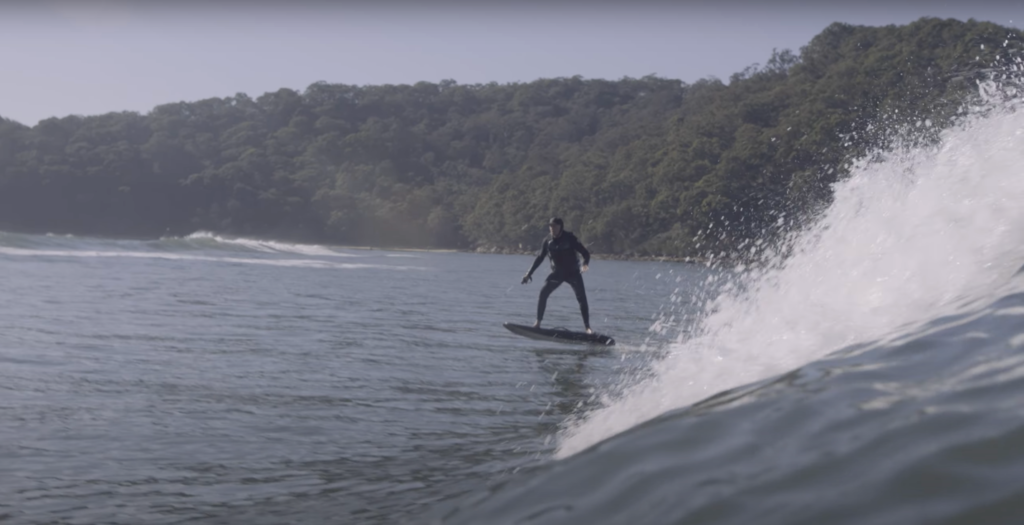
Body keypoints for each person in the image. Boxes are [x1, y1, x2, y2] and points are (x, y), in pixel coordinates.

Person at [521, 217, 593, 333]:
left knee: (581, 298)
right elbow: (539, 258)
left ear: (561, 227)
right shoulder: (547, 241)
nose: (552, 228)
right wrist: (528, 274)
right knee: (543, 293)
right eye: (550, 226)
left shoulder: (570, 238)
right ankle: (538, 323)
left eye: (554, 226)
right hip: (558, 273)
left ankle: (588, 328)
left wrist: (585, 264)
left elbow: (586, 253)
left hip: (573, 273)